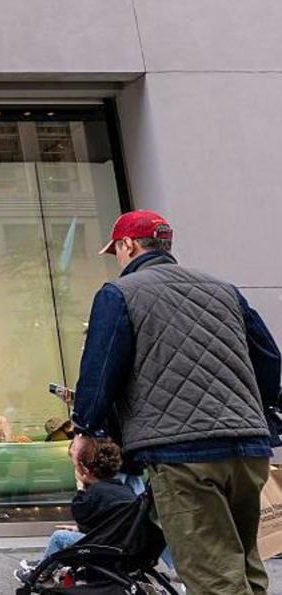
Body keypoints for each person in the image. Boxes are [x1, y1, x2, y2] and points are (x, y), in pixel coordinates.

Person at [71, 210, 282, 595]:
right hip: (248, 449)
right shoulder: (223, 289)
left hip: (182, 455)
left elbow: (100, 371)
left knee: (213, 576)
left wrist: (86, 429)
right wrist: (261, 414)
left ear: (126, 245)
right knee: (246, 567)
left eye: (115, 251)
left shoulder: (120, 293)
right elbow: (269, 359)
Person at [16, 436, 136, 583]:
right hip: (119, 544)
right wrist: (78, 529)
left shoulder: (96, 491)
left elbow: (80, 513)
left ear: (84, 470)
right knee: (68, 536)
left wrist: (80, 488)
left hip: (103, 548)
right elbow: (105, 522)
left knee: (59, 537)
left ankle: (41, 574)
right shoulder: (122, 489)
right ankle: (47, 564)